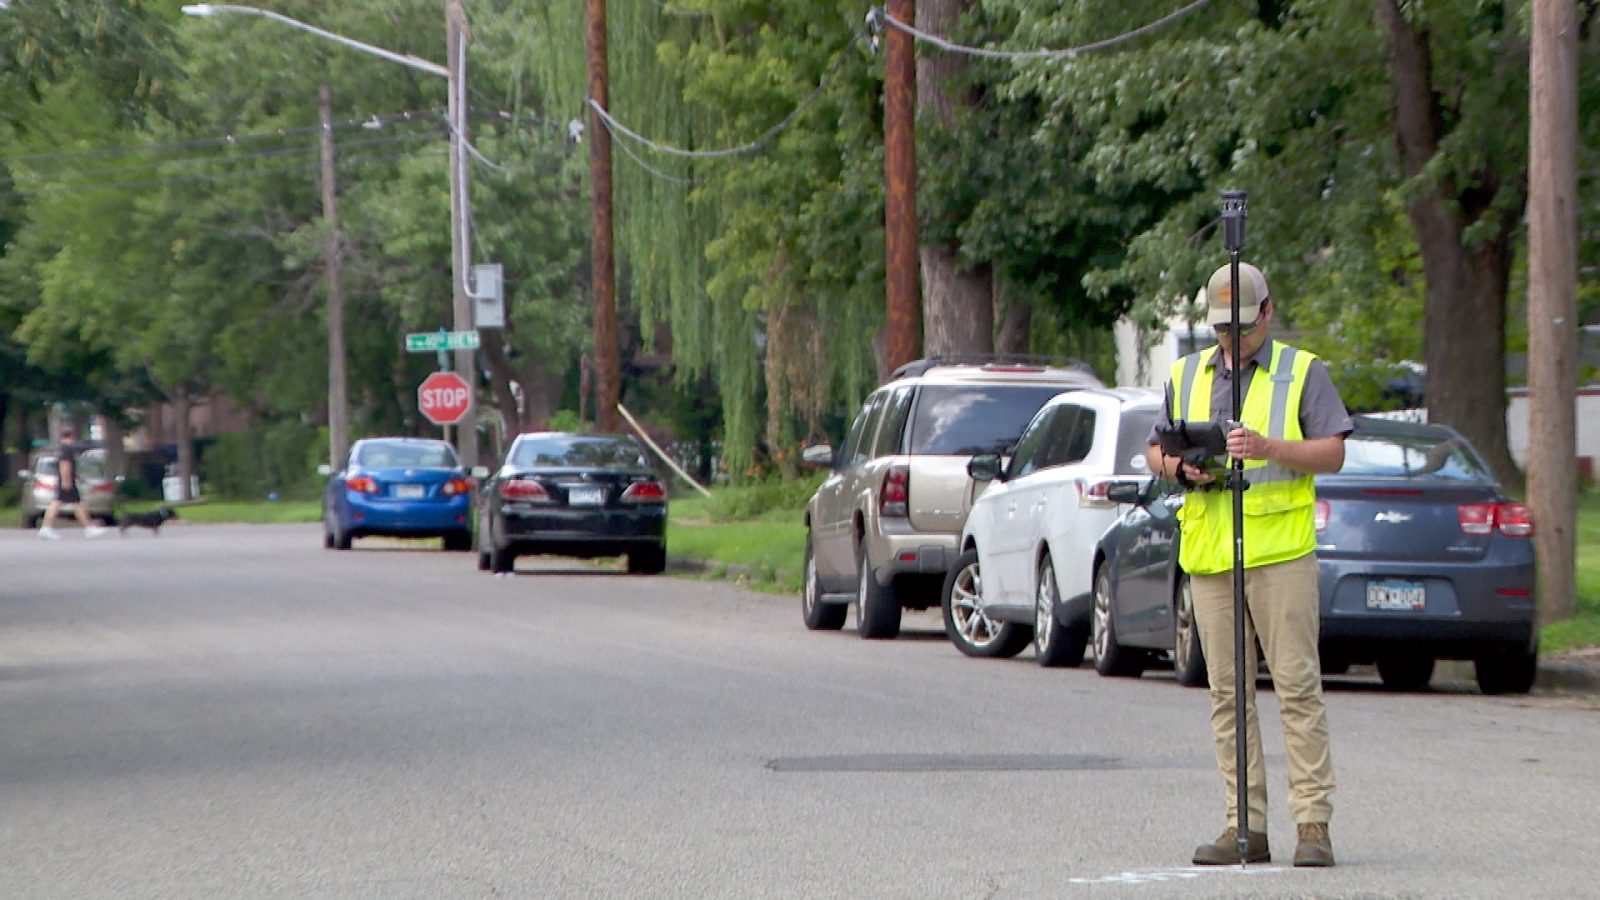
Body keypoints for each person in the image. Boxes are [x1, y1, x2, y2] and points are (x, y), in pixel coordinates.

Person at [1145, 262, 1353, 868]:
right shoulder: (1186, 373)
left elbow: (1334, 452)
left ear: (1268, 312)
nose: (1231, 338)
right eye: (1221, 328)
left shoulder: (1302, 371)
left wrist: (1267, 448)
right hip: (1211, 553)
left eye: (1242, 326)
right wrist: (1177, 468)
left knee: (1297, 689)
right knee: (1228, 697)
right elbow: (1154, 448)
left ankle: (1312, 826)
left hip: (1280, 553)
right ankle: (1245, 826)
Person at [38, 425, 108, 540]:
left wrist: (77, 477)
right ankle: (46, 528)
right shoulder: (66, 449)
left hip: (67, 480)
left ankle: (88, 528)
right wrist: (66, 481)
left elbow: (67, 467)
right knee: (58, 504)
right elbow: (65, 466)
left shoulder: (63, 449)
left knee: (76, 504)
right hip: (67, 482)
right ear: (71, 437)